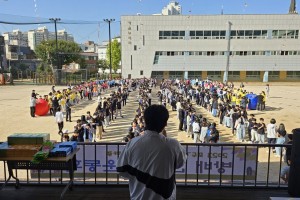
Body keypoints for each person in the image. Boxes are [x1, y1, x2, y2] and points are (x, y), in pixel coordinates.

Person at [117, 105, 186, 200]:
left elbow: (121, 170)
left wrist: (139, 176)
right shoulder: (173, 145)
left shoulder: (132, 143)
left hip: (139, 197)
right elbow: (180, 163)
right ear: (165, 123)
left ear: (145, 121)